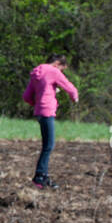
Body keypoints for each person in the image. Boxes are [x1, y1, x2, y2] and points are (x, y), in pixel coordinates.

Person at [22, 53, 78, 189]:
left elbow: (27, 96)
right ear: (58, 64)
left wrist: (39, 102)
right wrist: (75, 97)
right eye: (62, 70)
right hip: (47, 112)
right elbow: (69, 86)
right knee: (49, 146)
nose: (61, 72)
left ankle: (44, 177)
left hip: (39, 112)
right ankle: (39, 177)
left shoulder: (36, 72)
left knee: (47, 145)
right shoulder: (53, 71)